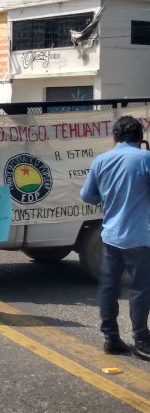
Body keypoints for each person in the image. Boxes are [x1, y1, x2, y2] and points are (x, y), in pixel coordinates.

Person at [81, 115, 150, 360]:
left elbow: (88, 197)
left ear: (115, 137)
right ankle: (141, 340)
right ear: (141, 138)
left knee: (109, 288)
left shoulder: (101, 161)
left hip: (110, 236)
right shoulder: (146, 158)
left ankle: (111, 338)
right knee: (141, 290)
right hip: (141, 236)